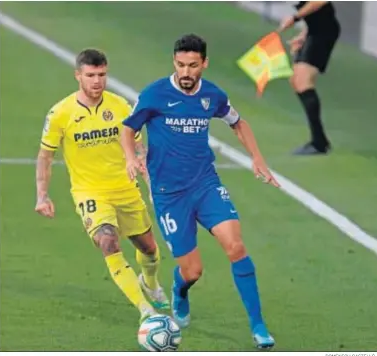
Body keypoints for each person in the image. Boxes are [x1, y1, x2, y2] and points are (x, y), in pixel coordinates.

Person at [121, 34, 279, 349]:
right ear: (174, 63)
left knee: (235, 246)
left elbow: (238, 122)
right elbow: (128, 128)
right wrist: (130, 157)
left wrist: (257, 157)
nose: (186, 72)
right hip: (169, 194)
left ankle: (258, 326)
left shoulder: (213, 95)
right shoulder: (155, 94)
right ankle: (181, 289)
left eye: (193, 65)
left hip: (205, 184)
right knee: (192, 271)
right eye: (181, 65)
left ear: (204, 63)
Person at [34, 48, 170, 323]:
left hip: (125, 189)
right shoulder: (61, 113)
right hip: (90, 193)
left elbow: (141, 149)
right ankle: (146, 311)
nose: (97, 81)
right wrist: (42, 195)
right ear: (78, 76)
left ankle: (151, 283)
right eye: (91, 75)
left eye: (102, 75)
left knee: (149, 249)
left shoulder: (121, 106)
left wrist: (152, 186)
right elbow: (45, 156)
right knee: (108, 241)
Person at [278, 1, 341, 155]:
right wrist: (303, 35)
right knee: (296, 81)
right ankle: (319, 141)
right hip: (315, 31)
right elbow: (317, 16)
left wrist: (294, 18)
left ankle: (319, 143)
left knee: (303, 81)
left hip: (324, 33)